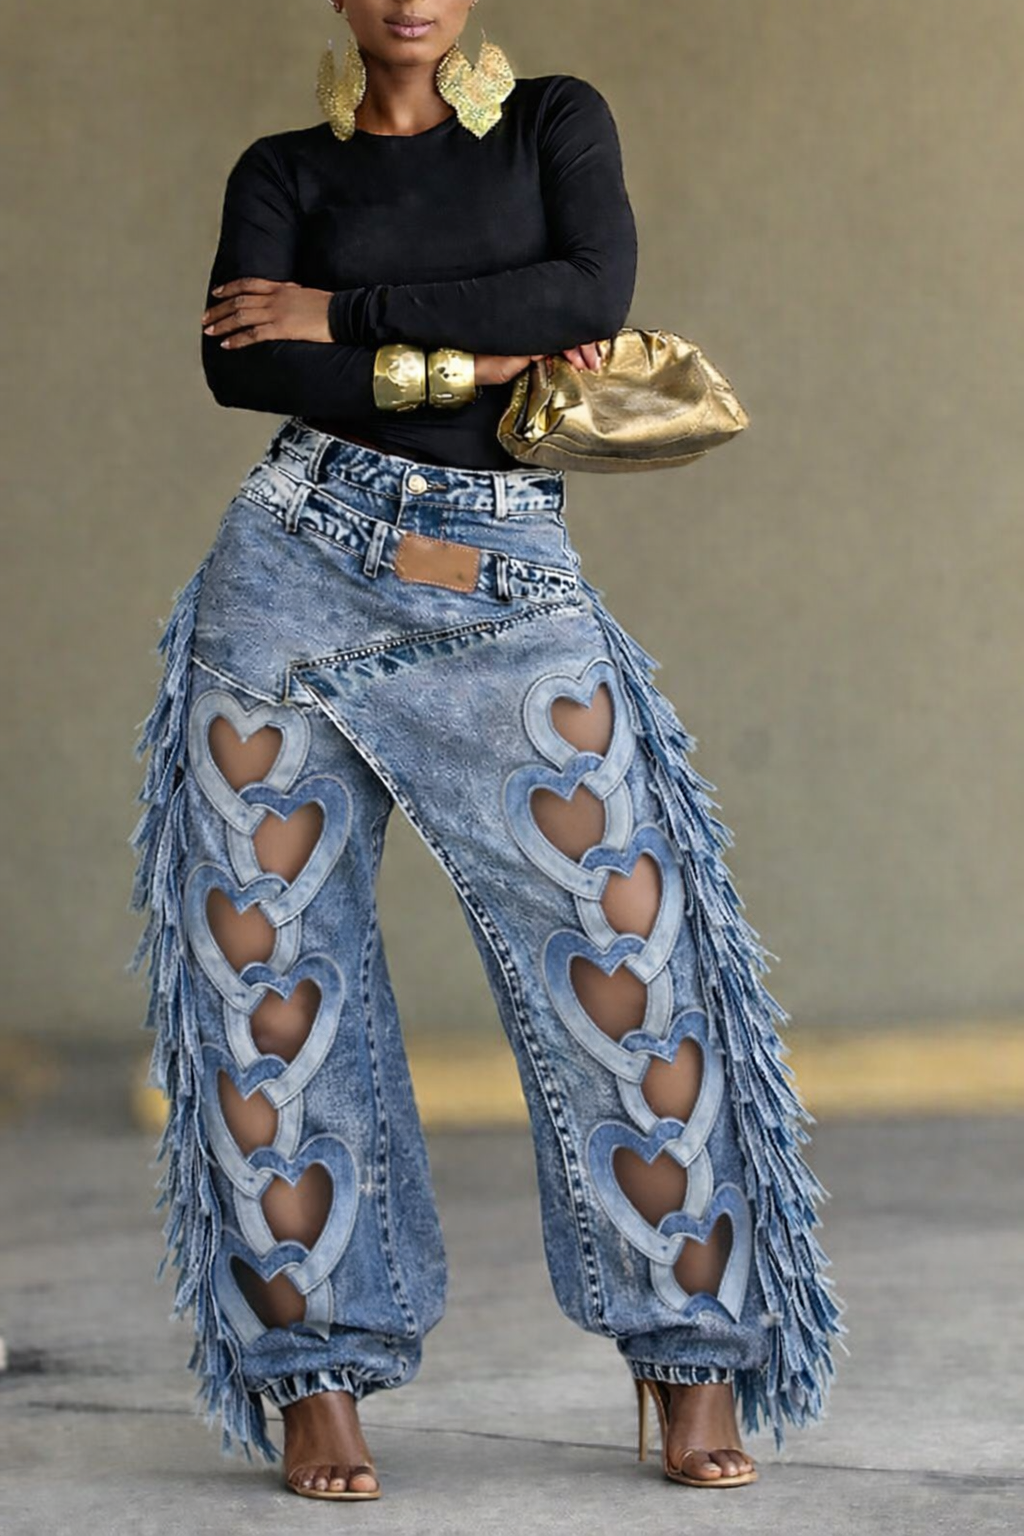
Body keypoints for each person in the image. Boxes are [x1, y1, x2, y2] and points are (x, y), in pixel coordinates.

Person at [127, 0, 846, 1503]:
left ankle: (691, 1353)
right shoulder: (280, 169)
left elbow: (591, 291)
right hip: (288, 571)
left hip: (504, 573)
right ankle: (316, 1379)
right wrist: (479, 352)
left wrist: (343, 317)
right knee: (266, 978)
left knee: (624, 952)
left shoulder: (553, 123)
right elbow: (246, 372)